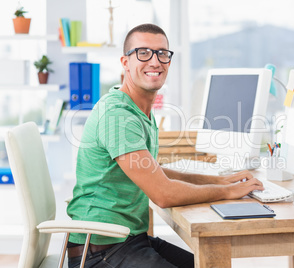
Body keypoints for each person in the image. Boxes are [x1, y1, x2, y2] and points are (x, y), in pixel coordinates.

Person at [66, 23, 264, 268]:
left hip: (129, 241)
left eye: (162, 53)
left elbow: (154, 173)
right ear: (125, 62)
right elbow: (163, 194)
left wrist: (219, 181)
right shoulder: (118, 115)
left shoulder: (139, 112)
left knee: (209, 264)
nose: (155, 61)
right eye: (143, 53)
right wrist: (227, 192)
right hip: (99, 253)